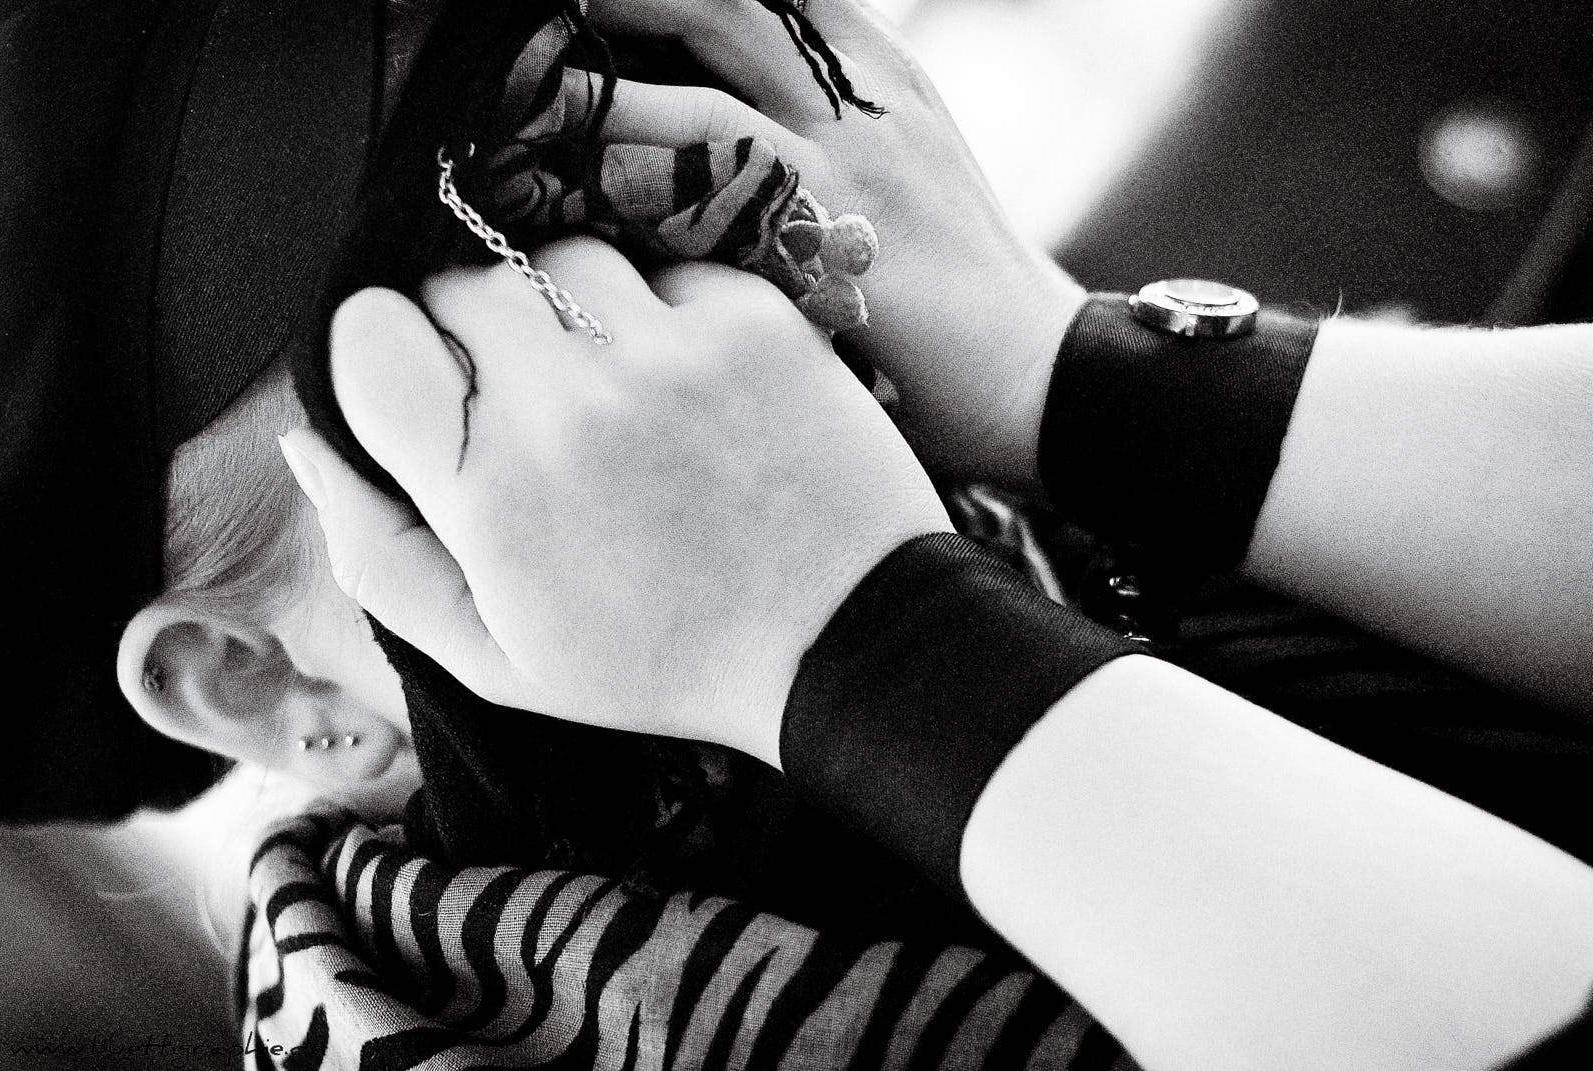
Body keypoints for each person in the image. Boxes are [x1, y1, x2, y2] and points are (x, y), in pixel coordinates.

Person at [280, 3, 1593, 1070]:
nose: (700, 339)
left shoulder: (1092, 524)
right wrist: (871, 648)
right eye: (459, 329)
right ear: (244, 678)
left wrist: (1066, 370)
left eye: (602, 105)